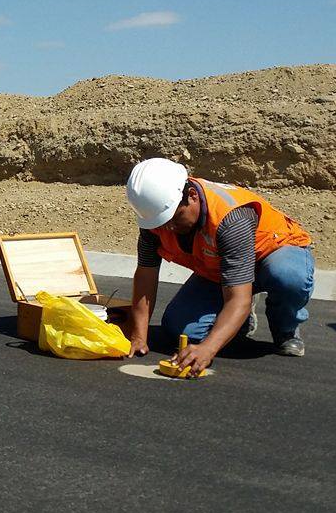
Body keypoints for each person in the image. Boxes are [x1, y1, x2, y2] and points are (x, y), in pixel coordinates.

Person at [123, 158, 314, 374]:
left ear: (192, 196)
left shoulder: (230, 218)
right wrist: (139, 335)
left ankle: (285, 331)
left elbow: (238, 299)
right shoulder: (155, 221)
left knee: (288, 277)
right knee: (181, 329)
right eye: (162, 222)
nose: (169, 228)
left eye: (175, 218)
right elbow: (146, 274)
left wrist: (207, 349)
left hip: (274, 253)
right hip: (222, 269)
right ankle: (240, 321)